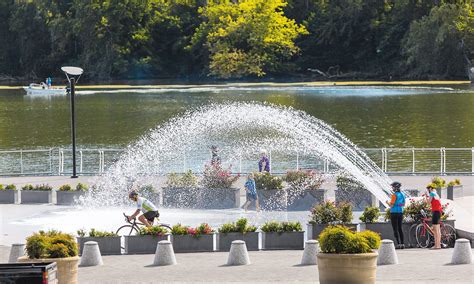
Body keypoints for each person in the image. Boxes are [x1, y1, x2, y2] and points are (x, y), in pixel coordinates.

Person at [386, 181, 406, 249]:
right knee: (400, 228)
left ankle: (398, 244)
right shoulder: (403, 194)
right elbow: (403, 204)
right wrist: (398, 205)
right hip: (400, 213)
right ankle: (403, 244)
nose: (392, 188)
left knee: (395, 229)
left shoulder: (394, 195)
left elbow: (391, 205)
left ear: (395, 187)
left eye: (393, 187)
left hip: (394, 213)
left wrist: (387, 203)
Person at [427, 184, 442, 249]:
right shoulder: (436, 193)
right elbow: (436, 203)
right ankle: (438, 245)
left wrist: (425, 196)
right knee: (438, 230)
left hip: (436, 212)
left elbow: (428, 202)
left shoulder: (432, 193)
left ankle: (436, 246)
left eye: (428, 189)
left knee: (435, 230)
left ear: (430, 188)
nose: (427, 190)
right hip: (438, 212)